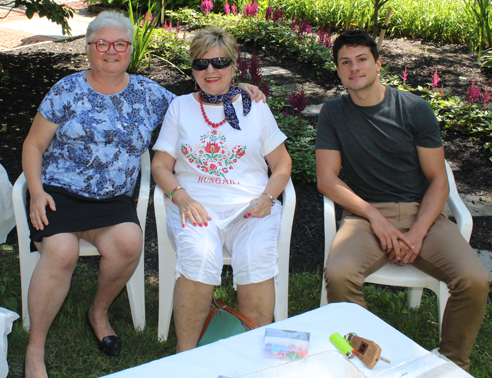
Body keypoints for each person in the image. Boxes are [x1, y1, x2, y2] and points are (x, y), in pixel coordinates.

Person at [22, 12, 264, 378]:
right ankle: (35, 350)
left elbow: (197, 103)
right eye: (101, 43)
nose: (110, 51)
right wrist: (36, 192)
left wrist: (237, 89)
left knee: (128, 243)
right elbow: (33, 145)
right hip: (60, 194)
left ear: (131, 50)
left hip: (113, 201)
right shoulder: (66, 90)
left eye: (120, 44)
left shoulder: (147, 94)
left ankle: (99, 312)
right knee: (62, 252)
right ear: (88, 49)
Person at [315, 29, 490, 371]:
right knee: (339, 275)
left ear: (378, 63)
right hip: (364, 219)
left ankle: (453, 364)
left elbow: (439, 180)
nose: (354, 68)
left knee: (475, 279)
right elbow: (327, 180)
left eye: (362, 59)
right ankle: (369, 360)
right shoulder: (333, 113)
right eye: (345, 62)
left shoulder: (413, 108)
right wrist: (376, 219)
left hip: (419, 213)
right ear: (338, 70)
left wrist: (417, 234)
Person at [152, 26, 292, 352]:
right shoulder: (181, 107)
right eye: (201, 64)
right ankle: (185, 357)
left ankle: (249, 357)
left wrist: (268, 197)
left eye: (219, 62)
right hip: (197, 207)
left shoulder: (254, 105)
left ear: (233, 66)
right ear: (193, 69)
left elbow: (282, 165)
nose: (210, 71)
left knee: (256, 257)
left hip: (250, 207)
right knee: (201, 256)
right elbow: (160, 165)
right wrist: (181, 196)